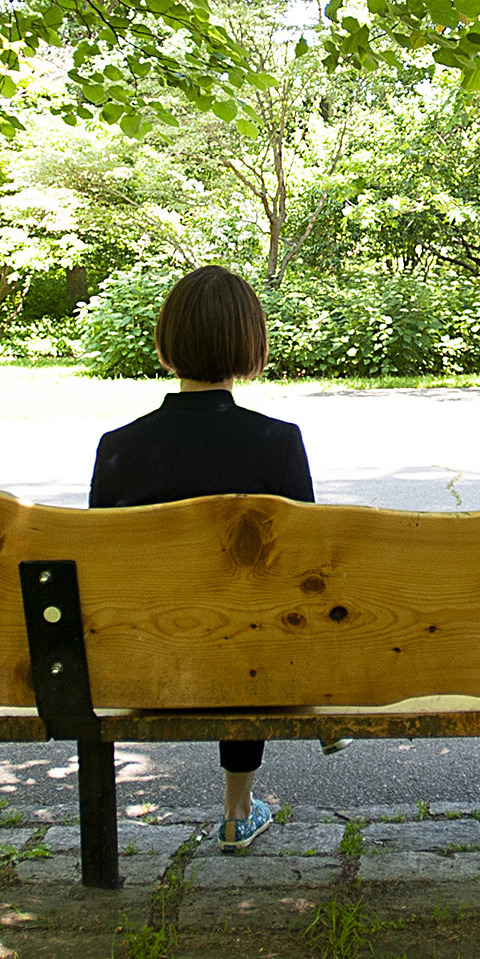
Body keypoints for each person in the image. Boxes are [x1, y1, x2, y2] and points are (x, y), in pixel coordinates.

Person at [88, 264, 335, 853]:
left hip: (142, 660)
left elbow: (102, 573)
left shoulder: (119, 448)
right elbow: (302, 576)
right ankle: (237, 807)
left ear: (167, 343)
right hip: (251, 662)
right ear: (250, 345)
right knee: (252, 627)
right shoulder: (279, 441)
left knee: (231, 626)